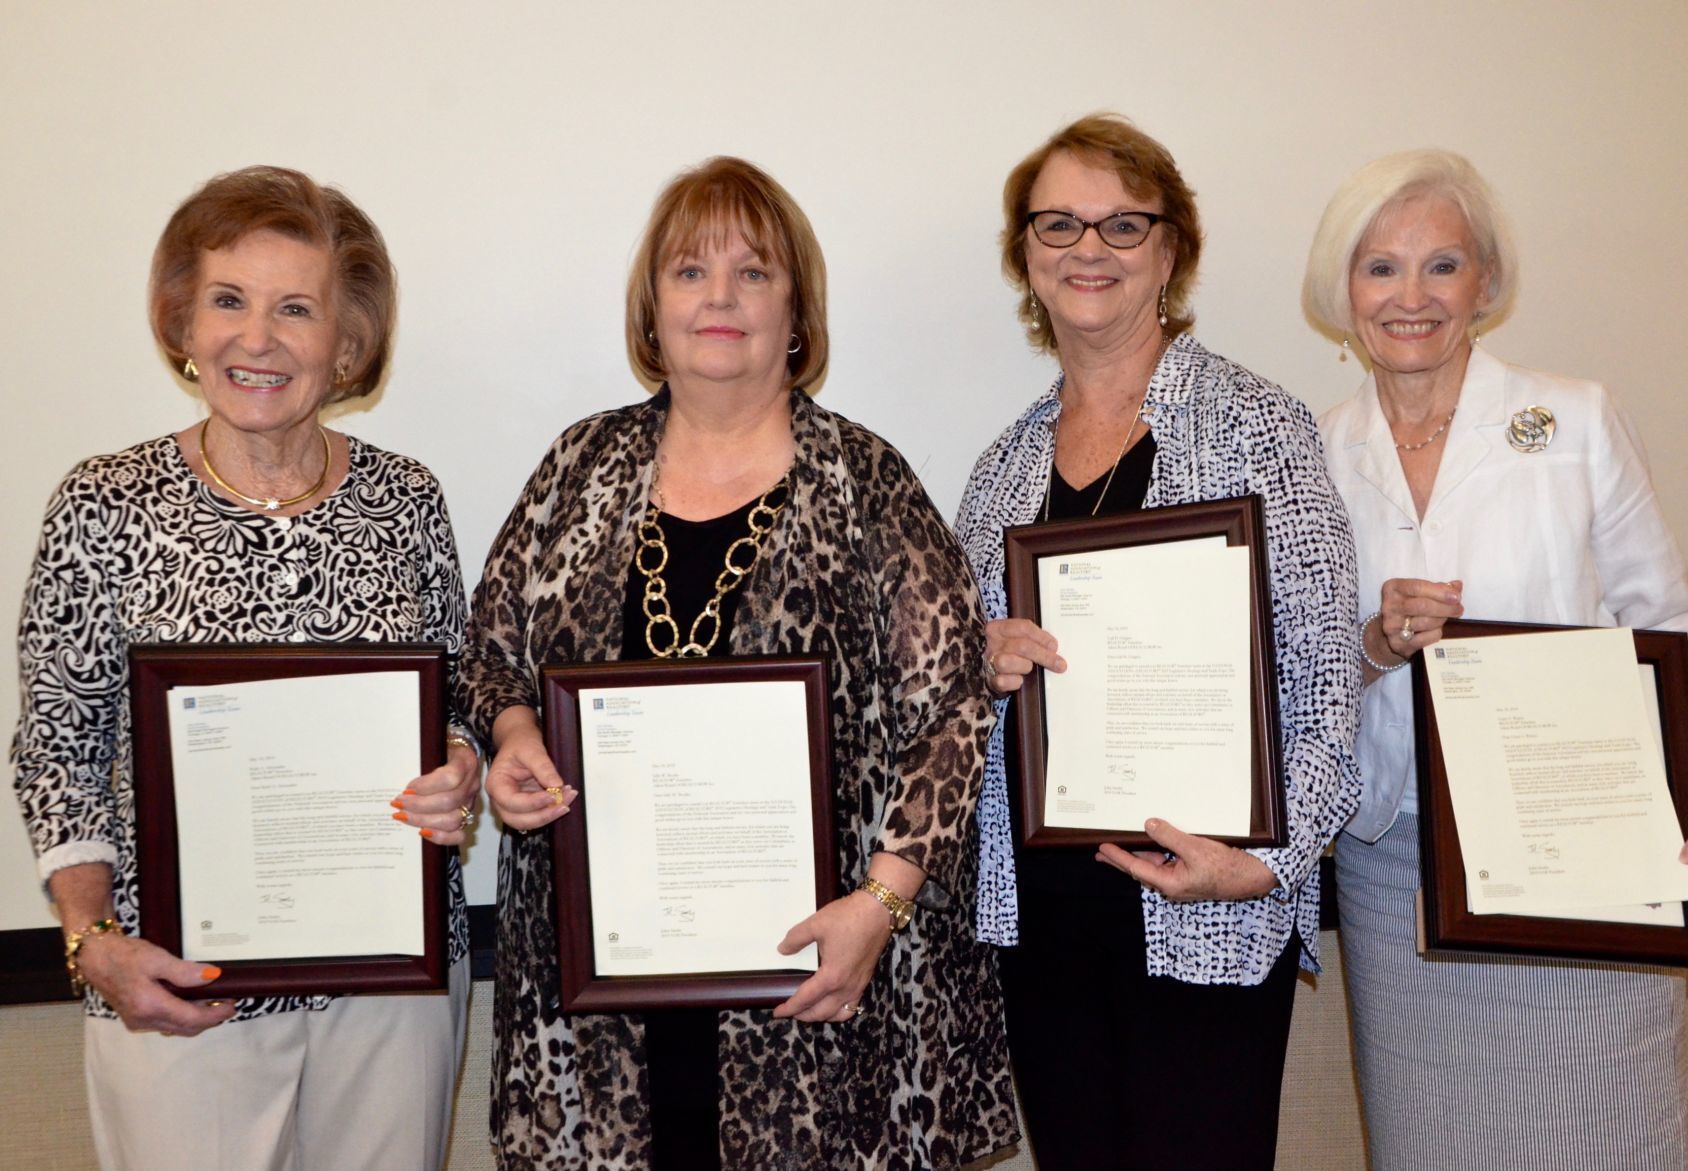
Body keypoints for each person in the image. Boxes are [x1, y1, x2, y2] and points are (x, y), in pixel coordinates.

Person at [458, 156, 1017, 1171]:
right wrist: (511, 738)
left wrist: (880, 905)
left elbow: (951, 711)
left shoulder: (864, 479)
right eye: (688, 272)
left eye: (752, 273)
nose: (719, 297)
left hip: (818, 973)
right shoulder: (577, 467)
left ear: (795, 310)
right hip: (603, 992)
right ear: (651, 306)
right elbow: (491, 655)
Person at [10, 166, 479, 1171]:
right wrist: (92, 942)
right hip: (177, 988)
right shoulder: (104, 503)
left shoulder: (408, 501)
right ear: (183, 319)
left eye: (295, 308)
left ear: (345, 341)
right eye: (228, 300)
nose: (256, 338)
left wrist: (459, 770)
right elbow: (57, 743)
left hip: (389, 992)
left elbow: (458, 702)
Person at [1304, 147, 1688, 1169]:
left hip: (1581, 853)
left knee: (1599, 1134)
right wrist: (1375, 642)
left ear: (1485, 280)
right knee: (1430, 1143)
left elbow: (1671, 617)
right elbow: (1300, 671)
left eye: (1441, 265)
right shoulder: (1316, 449)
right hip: (1399, 870)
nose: (1409, 296)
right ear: (1341, 289)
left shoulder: (1572, 420)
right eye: (1379, 267)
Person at [953, 114, 1362, 1169]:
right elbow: (947, 712)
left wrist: (1260, 869)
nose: (1087, 249)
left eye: (1121, 225)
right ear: (1024, 258)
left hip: (1203, 904)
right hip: (1043, 920)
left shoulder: (1257, 425)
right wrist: (979, 668)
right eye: (1057, 226)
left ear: (1170, 251)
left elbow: (1323, 680)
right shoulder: (997, 470)